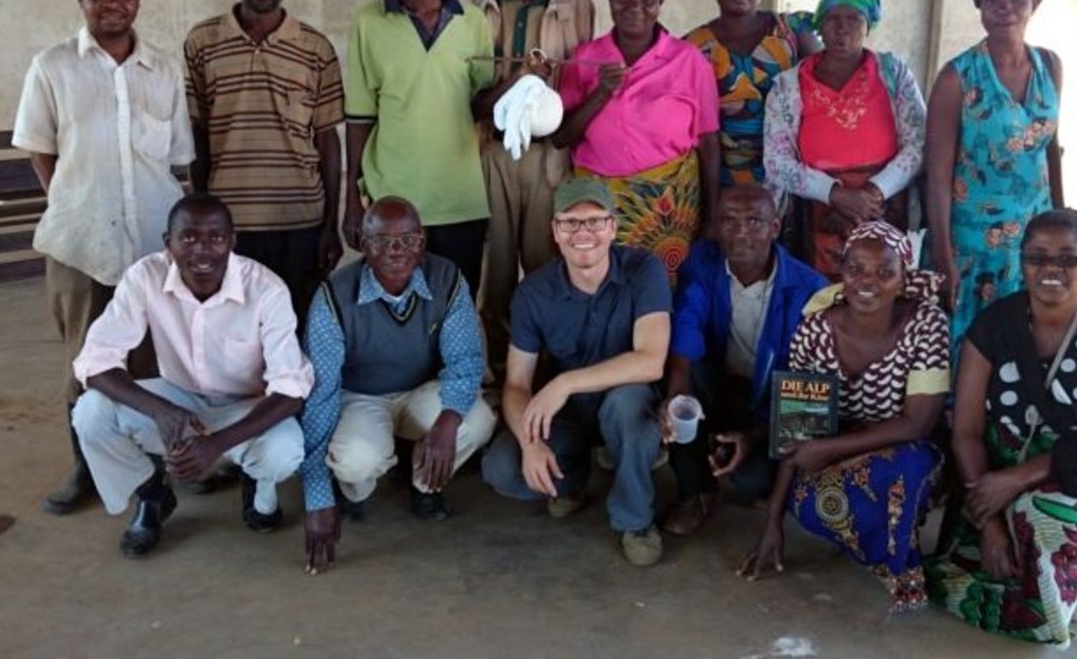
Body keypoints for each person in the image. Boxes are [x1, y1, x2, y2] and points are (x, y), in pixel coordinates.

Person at [12, 0, 193, 516]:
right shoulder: (52, 66)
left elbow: (178, 159)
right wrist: (72, 202)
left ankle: (164, 466)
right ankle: (85, 467)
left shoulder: (162, 70)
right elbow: (41, 150)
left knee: (154, 362)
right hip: (80, 245)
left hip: (150, 245)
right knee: (85, 360)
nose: (112, 4)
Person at [926, 209, 1077, 649]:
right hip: (991, 467)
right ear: (1021, 263)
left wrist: (1018, 479)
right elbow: (965, 429)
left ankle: (1063, 580)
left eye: (1067, 259)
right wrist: (987, 519)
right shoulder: (993, 325)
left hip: (1075, 468)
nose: (1051, 271)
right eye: (1038, 258)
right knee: (935, 575)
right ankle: (1058, 574)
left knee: (1041, 514)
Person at [70, 195, 312, 556]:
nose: (202, 250)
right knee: (90, 413)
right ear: (168, 243)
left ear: (232, 241)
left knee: (283, 451)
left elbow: (291, 389)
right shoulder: (144, 277)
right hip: (178, 398)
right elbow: (94, 361)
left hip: (247, 407)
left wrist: (217, 444)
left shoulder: (266, 289)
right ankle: (153, 496)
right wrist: (160, 411)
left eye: (216, 237)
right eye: (189, 237)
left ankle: (257, 483)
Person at [738, 221, 947, 613]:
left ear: (904, 278)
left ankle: (902, 565)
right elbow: (797, 425)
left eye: (885, 272)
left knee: (904, 470)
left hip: (911, 448)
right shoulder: (815, 329)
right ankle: (884, 549)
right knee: (809, 503)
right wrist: (774, 520)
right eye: (856, 269)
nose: (867, 282)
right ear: (842, 270)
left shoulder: (925, 323)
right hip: (840, 451)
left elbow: (918, 423)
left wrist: (829, 447)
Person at [481, 178, 672, 566]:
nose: (583, 233)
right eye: (570, 222)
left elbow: (651, 361)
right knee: (502, 468)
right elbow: (517, 384)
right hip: (570, 416)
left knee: (627, 405)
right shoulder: (534, 293)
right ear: (554, 231)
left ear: (613, 227)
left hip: (625, 405)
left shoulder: (643, 271)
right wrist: (530, 443)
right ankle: (572, 478)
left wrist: (565, 382)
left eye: (595, 221)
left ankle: (635, 520)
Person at [299, 196, 495, 567]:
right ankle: (353, 492)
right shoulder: (334, 295)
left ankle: (426, 485)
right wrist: (317, 497)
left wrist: (447, 423)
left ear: (422, 241)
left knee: (476, 420)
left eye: (407, 238)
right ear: (362, 243)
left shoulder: (446, 278)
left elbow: (465, 360)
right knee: (356, 460)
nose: (396, 250)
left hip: (421, 391)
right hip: (359, 397)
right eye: (381, 240)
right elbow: (320, 395)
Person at [460, 0, 596, 385]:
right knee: (494, 269)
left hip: (549, 156)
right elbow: (467, 87)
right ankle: (498, 371)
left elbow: (582, 78)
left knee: (546, 264)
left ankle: (546, 369)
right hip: (491, 151)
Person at [184, 0, 345, 321]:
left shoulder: (315, 48)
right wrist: (204, 212)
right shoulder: (202, 42)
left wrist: (330, 226)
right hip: (230, 222)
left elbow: (327, 140)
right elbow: (197, 137)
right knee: (234, 326)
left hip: (300, 219)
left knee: (299, 322)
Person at [344, 0, 495, 294]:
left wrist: (524, 82)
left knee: (456, 304)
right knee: (396, 304)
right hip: (392, 198)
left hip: (460, 197)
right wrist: (352, 201)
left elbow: (481, 106)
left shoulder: (473, 21)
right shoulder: (368, 22)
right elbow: (360, 117)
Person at [661, 184, 827, 534]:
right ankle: (696, 492)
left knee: (754, 480)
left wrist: (754, 436)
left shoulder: (810, 289)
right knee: (674, 377)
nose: (740, 232)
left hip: (771, 404)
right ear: (716, 226)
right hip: (721, 385)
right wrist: (677, 390)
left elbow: (808, 391)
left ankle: (754, 467)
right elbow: (688, 320)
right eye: (729, 221)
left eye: (754, 221)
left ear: (775, 228)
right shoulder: (702, 262)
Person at [924, 0, 1063, 359]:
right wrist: (944, 257)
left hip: (1035, 230)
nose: (1004, 8)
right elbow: (937, 175)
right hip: (974, 241)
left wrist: (1063, 218)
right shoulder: (958, 77)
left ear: (1034, 3)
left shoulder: (1049, 66)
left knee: (1029, 338)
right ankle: (963, 422)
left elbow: (1051, 147)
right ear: (980, 7)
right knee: (972, 345)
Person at [553, 0, 720, 283]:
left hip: (669, 209)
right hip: (600, 207)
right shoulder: (585, 58)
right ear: (610, 1)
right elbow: (561, 137)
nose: (635, 8)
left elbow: (709, 141)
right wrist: (601, 92)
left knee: (664, 291)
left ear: (661, 3)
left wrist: (711, 215)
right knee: (602, 290)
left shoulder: (688, 61)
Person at [763, 0, 926, 281]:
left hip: (883, 205)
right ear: (819, 26)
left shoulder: (894, 73)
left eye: (854, 19)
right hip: (816, 211)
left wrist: (873, 192)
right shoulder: (789, 85)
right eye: (832, 19)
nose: (842, 28)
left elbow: (918, 144)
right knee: (819, 297)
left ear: (868, 25)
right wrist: (835, 194)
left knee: (878, 289)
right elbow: (776, 161)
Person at [684, 0, 820, 189]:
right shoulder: (693, 46)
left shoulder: (792, 31)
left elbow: (824, 97)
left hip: (789, 177)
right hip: (719, 180)